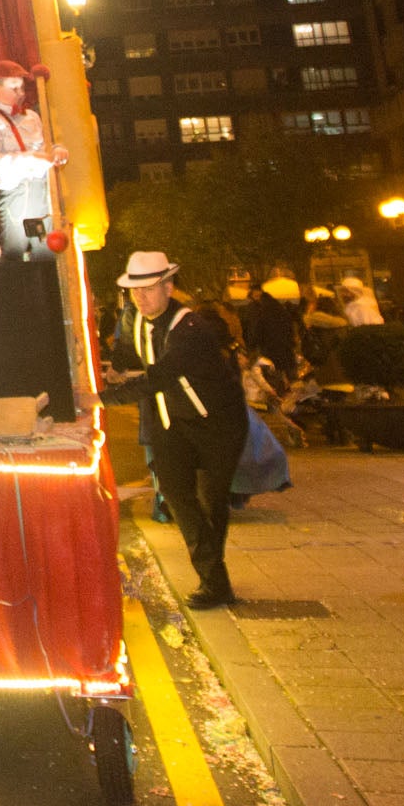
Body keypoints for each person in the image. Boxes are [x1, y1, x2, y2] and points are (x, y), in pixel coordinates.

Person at [103, 252, 247, 609]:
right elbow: (127, 357)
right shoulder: (134, 317)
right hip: (170, 423)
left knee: (212, 503)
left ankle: (214, 581)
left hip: (217, 424)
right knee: (175, 494)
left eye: (148, 289)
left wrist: (101, 398)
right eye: (134, 290)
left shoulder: (191, 328)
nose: (140, 297)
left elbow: (161, 375)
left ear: (168, 287)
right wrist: (112, 368)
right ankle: (214, 579)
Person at [0, 63, 59, 261]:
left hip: (41, 189)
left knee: (46, 249)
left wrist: (56, 151)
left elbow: (46, 146)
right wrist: (27, 158)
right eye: (13, 87)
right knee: (14, 249)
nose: (20, 93)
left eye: (21, 87)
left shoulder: (32, 117)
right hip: (14, 192)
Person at [240, 275, 304, 389]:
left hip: (269, 348)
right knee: (291, 373)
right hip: (285, 346)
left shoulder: (259, 311)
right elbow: (289, 324)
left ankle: (281, 394)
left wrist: (252, 345)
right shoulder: (278, 307)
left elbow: (256, 330)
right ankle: (296, 394)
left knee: (274, 375)